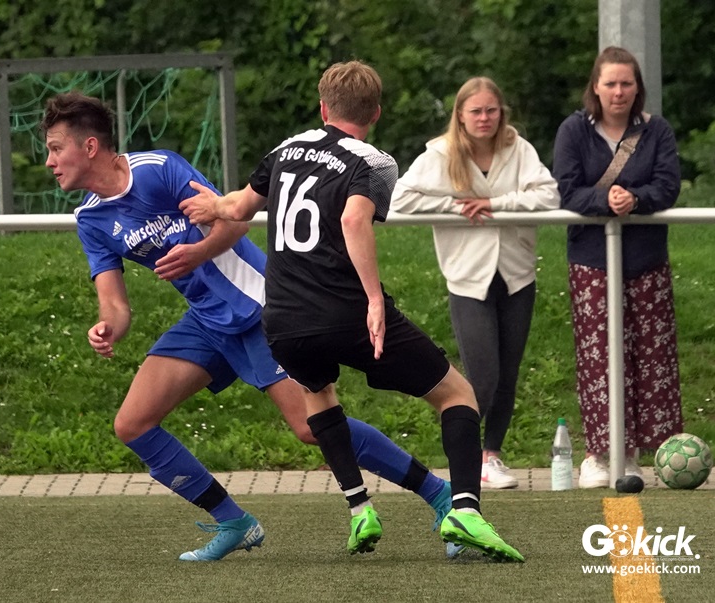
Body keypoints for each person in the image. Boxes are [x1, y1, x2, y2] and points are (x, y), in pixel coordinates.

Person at [39, 91, 459, 562]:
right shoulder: (91, 219)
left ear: (90, 146)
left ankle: (440, 494)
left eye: (56, 148)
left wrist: (199, 252)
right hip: (206, 321)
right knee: (133, 424)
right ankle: (234, 522)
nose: (50, 161)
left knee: (310, 428)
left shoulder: (158, 169)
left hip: (260, 308)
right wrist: (107, 327)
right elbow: (115, 305)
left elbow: (235, 219)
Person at [180, 61, 524, 562]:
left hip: (283, 319)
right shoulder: (376, 161)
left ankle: (360, 508)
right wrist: (375, 299)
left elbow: (237, 209)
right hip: (345, 311)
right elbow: (354, 219)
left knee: (317, 393)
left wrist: (212, 207)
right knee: (457, 394)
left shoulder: (287, 148)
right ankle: (465, 510)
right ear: (376, 113)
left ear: (323, 108)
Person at [391, 77, 561, 489]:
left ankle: (491, 455)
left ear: (502, 113)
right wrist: (455, 205)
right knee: (482, 375)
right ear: (461, 116)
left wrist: (494, 205)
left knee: (507, 374)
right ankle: (462, 456)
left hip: (517, 274)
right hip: (468, 277)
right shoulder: (441, 153)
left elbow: (549, 196)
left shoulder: (518, 148)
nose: (485, 118)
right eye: (476, 111)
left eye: (491, 110)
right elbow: (401, 198)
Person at [552, 46, 683, 489]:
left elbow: (667, 185)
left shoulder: (656, 130)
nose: (619, 91)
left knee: (651, 357)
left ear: (637, 87)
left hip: (646, 259)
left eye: (627, 83)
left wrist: (635, 199)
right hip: (592, 261)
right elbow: (566, 189)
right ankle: (599, 453)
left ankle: (642, 453)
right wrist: (604, 199)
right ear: (596, 87)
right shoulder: (573, 130)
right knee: (599, 357)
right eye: (611, 83)